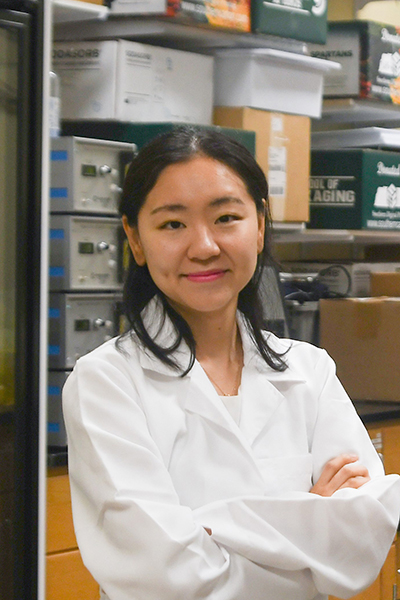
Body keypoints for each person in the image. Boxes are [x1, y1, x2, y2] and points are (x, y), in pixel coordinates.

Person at [62, 126, 400, 600]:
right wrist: (308, 522)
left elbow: (365, 541)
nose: (204, 246)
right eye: (172, 224)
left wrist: (216, 529)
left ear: (259, 226)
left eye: (225, 217)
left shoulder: (309, 371)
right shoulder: (107, 382)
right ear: (135, 240)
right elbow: (161, 576)